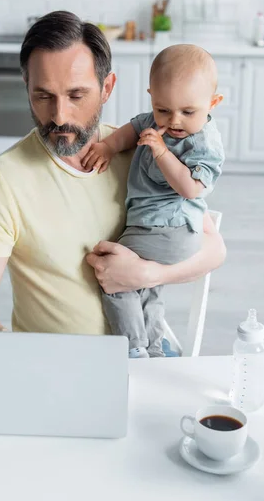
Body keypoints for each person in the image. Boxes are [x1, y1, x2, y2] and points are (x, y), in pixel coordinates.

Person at [0, 11, 226, 337]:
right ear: (27, 86)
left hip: (146, 358)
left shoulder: (145, 152)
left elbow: (214, 248)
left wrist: (145, 274)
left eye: (76, 95)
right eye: (43, 95)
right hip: (56, 369)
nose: (60, 115)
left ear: (107, 88)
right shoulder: (3, 180)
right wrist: (8, 348)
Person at [82, 44, 225, 358]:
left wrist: (161, 152)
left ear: (213, 103)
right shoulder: (155, 120)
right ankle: (155, 347)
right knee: (147, 290)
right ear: (152, 97)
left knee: (115, 276)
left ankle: (132, 346)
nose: (174, 120)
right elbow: (132, 130)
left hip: (168, 228)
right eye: (163, 109)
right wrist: (107, 147)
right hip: (158, 228)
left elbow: (191, 188)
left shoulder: (204, 143)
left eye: (188, 112)